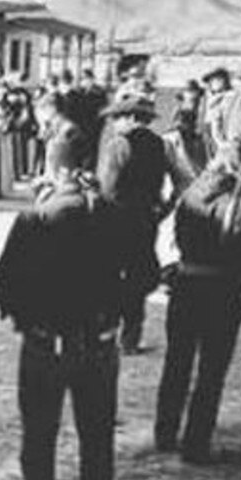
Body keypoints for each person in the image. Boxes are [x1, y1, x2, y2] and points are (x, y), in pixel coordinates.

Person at [0, 116, 120, 480]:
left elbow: (5, 279)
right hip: (99, 342)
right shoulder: (110, 214)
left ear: (56, 167)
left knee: (40, 436)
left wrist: (24, 318)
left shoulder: (37, 217)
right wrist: (115, 315)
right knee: (98, 436)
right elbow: (142, 271)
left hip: (47, 342)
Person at [155, 147, 241, 464]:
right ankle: (195, 443)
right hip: (223, 290)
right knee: (211, 372)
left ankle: (164, 431)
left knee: (176, 363)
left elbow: (178, 236)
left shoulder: (191, 194)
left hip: (186, 285)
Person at [97, 94, 167, 356]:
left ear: (131, 118)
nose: (114, 123)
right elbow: (164, 182)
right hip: (146, 218)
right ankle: (131, 337)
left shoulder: (119, 144)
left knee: (112, 276)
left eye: (117, 118)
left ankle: (108, 331)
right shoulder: (158, 143)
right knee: (138, 278)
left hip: (118, 218)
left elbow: (109, 186)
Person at [161, 83, 212, 205]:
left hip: (200, 192)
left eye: (197, 102)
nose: (194, 106)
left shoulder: (201, 136)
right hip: (180, 195)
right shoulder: (171, 138)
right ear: (181, 102)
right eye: (191, 101)